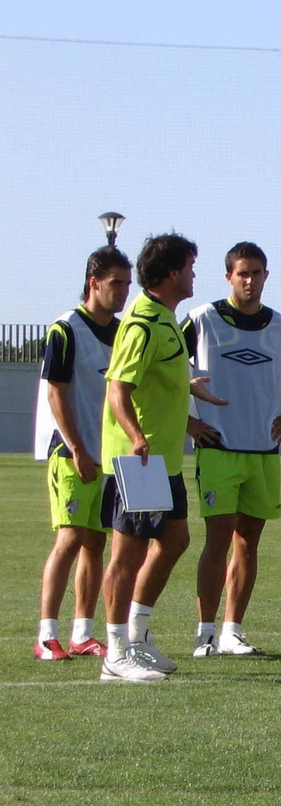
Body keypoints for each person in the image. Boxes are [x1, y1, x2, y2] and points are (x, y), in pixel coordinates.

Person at [99, 233, 226, 682]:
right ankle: (115, 652)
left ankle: (138, 635)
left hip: (165, 460)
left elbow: (159, 377)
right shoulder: (142, 323)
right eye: (191, 266)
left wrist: (192, 394)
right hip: (140, 462)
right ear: (173, 273)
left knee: (175, 541)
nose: (194, 274)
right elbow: (118, 387)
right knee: (127, 552)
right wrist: (135, 437)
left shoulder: (167, 320)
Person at [181, 242, 281, 657]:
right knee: (217, 538)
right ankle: (205, 633)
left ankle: (233, 630)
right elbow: (164, 370)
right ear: (229, 277)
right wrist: (189, 422)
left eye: (257, 273)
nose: (250, 280)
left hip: (263, 451)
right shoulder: (201, 319)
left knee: (248, 542)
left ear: (266, 276)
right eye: (242, 273)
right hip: (219, 446)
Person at [32, 246, 132, 660]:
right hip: (72, 454)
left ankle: (82, 632)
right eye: (116, 284)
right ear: (94, 283)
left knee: (95, 542)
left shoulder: (126, 331)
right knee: (70, 539)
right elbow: (56, 391)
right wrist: (76, 448)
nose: (124, 292)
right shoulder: (66, 329)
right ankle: (45, 635)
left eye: (128, 284)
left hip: (108, 458)